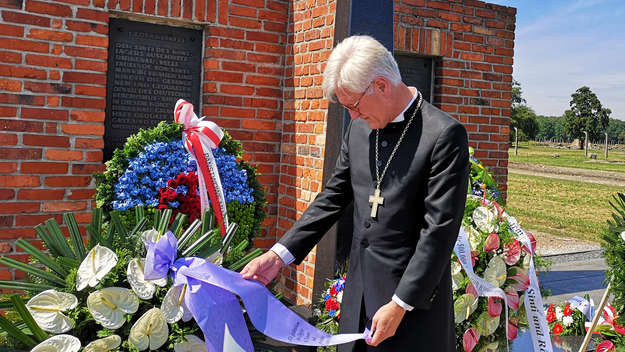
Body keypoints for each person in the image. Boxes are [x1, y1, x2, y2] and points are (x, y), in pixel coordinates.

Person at [241, 35, 469, 351]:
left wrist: (401, 303)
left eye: (354, 105)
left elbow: (438, 232)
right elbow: (333, 196)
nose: (353, 116)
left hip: (410, 311)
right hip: (357, 302)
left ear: (381, 86)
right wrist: (279, 256)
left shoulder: (444, 135)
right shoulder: (360, 130)